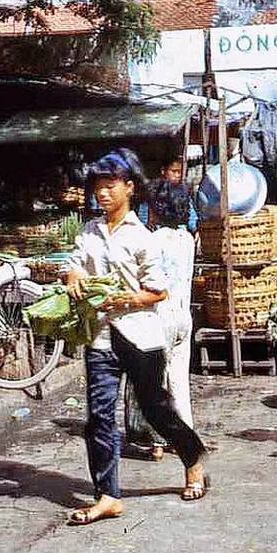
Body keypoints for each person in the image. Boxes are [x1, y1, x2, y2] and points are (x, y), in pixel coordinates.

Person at [65, 148, 208, 525]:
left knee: (155, 409)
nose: (103, 193)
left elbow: (158, 291)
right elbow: (74, 266)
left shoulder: (143, 237)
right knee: (99, 418)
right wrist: (74, 279)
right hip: (99, 336)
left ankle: (192, 457)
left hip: (141, 337)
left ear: (129, 188)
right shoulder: (88, 230)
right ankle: (108, 495)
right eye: (98, 187)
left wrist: (126, 298)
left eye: (110, 186)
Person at [124, 180, 198, 459]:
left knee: (156, 384)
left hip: (160, 319)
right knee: (179, 381)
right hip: (183, 316)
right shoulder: (187, 240)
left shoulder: (153, 242)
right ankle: (186, 440)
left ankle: (157, 442)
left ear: (156, 209)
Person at [137, 157, 198, 232]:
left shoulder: (183, 191)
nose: (177, 175)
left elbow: (191, 216)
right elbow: (143, 219)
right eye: (174, 171)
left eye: (180, 172)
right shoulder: (152, 191)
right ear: (163, 171)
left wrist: (196, 230)